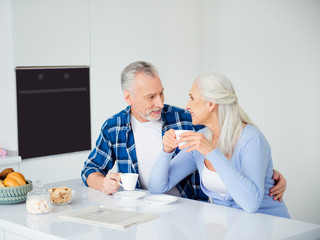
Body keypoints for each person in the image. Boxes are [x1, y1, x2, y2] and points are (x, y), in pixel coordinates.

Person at [81, 61, 286, 202]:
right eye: (150, 97)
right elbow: (90, 169)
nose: (160, 102)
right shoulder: (114, 127)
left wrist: (267, 173)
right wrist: (103, 184)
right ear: (128, 98)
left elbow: (229, 137)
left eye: (161, 93)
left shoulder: (186, 119)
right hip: (140, 211)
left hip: (190, 208)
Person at [148, 72, 290, 218]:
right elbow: (156, 188)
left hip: (269, 225)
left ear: (210, 104)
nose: (187, 106)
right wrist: (167, 150)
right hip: (233, 227)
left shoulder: (252, 139)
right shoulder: (201, 139)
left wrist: (211, 152)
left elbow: (251, 204)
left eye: (192, 98)